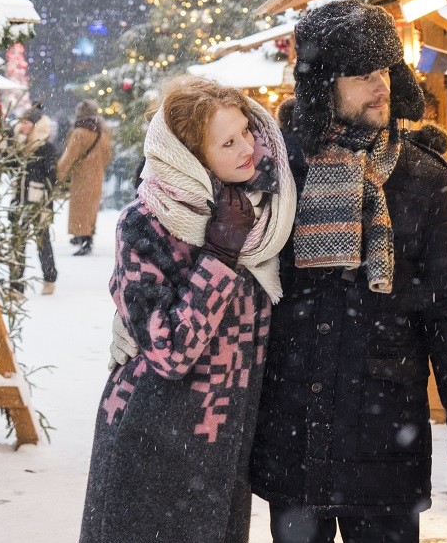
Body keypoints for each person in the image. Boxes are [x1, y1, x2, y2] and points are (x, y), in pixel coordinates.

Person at [250, 0, 447, 543]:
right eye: (361, 74)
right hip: (297, 433)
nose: (379, 85)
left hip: (386, 438)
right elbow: (237, 285)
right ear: (323, 85)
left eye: (384, 69)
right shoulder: (281, 171)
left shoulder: (422, 178)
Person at [80, 75, 296, 543]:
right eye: (228, 142)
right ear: (192, 158)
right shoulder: (148, 221)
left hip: (221, 445)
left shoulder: (266, 214)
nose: (248, 150)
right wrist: (219, 257)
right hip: (152, 438)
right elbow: (171, 351)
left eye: (246, 132)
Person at [12, 104, 59, 295]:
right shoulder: (20, 145)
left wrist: (44, 201)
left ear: (36, 125)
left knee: (42, 241)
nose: (22, 126)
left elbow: (51, 177)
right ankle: (15, 285)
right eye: (21, 122)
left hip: (39, 201)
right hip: (19, 199)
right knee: (17, 241)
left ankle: (49, 278)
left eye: (26, 123)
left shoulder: (46, 148)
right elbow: (11, 166)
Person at [57, 99, 114, 255]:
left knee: (80, 208)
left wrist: (59, 173)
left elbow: (69, 156)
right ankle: (84, 235)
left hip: (82, 177)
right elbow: (108, 155)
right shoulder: (101, 133)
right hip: (96, 177)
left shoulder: (79, 132)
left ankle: (84, 239)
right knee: (91, 209)